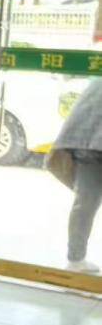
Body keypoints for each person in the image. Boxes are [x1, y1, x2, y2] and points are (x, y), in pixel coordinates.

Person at [47, 79, 102, 271]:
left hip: (87, 148)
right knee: (85, 204)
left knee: (84, 204)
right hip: (90, 150)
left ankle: (76, 259)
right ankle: (76, 259)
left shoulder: (96, 82)